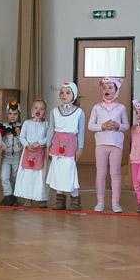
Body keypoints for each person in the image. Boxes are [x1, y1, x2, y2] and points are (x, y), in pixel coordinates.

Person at [88, 77, 129, 213]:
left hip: (116, 145)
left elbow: (126, 125)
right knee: (100, 174)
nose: (107, 90)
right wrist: (102, 126)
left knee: (115, 174)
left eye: (110, 87)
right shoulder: (97, 107)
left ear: (116, 91)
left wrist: (118, 126)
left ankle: (115, 203)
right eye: (105, 87)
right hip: (101, 145)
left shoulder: (121, 108)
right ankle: (100, 202)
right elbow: (90, 126)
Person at [46, 81, 85, 211]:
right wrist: (48, 146)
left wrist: (80, 148)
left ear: (74, 95)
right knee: (58, 172)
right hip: (56, 146)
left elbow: (81, 132)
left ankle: (75, 199)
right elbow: (51, 130)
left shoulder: (79, 112)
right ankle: (60, 200)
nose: (64, 95)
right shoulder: (54, 111)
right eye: (62, 92)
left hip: (70, 146)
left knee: (70, 172)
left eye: (68, 92)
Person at [14, 98, 49, 207]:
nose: (38, 110)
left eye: (41, 109)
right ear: (32, 110)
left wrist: (39, 143)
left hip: (40, 153)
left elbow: (48, 137)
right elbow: (22, 136)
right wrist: (27, 145)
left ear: (44, 112)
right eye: (36, 108)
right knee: (28, 176)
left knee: (40, 176)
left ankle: (41, 198)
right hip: (28, 153)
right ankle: (27, 197)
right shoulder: (27, 123)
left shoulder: (46, 124)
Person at [0, 100, 23, 206]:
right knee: (4, 176)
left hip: (17, 156)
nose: (12, 116)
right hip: (6, 156)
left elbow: (25, 141)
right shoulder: (3, 127)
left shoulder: (22, 126)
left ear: (19, 114)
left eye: (15, 114)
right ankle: (8, 195)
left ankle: (13, 196)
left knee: (15, 177)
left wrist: (19, 135)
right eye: (10, 113)